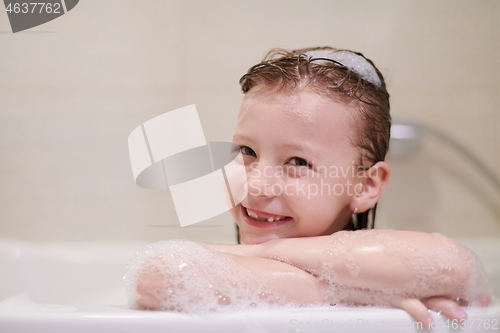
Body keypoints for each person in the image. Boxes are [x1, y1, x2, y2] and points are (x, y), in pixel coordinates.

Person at [125, 47, 490, 328]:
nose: (256, 184)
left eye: (298, 162)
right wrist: (359, 292)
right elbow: (157, 275)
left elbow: (455, 267)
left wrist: (253, 257)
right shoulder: (383, 277)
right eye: (247, 151)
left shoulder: (387, 256)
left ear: (365, 184)